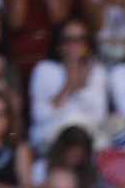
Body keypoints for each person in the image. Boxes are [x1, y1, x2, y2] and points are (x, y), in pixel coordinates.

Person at [28, 15, 108, 153]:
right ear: (59, 43)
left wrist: (84, 85)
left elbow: (99, 117)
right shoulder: (44, 69)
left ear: (87, 44)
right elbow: (39, 117)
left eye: (79, 40)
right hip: (51, 133)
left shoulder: (97, 72)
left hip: (86, 133)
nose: (74, 45)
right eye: (68, 40)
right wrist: (68, 87)